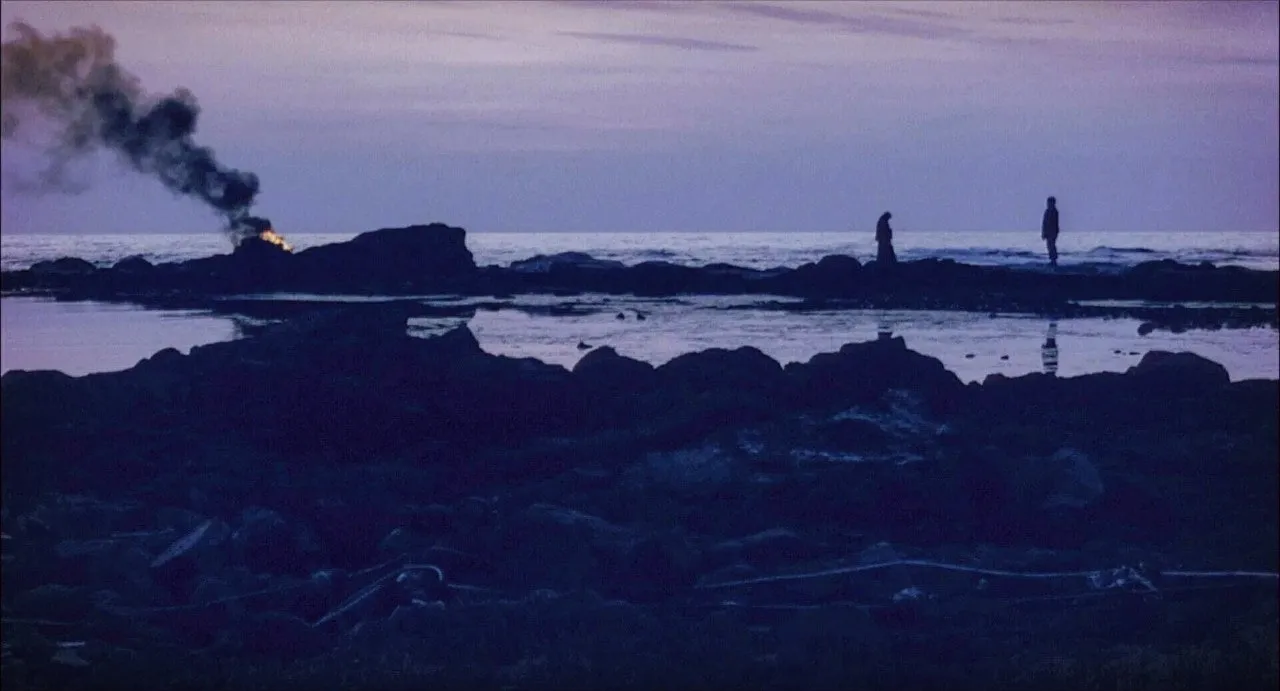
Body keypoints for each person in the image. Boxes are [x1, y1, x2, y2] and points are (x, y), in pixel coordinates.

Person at [1041, 196, 1060, 267]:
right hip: (1049, 231)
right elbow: (1044, 223)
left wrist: (1048, 232)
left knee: (1051, 245)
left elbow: (1053, 223)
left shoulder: (1054, 211)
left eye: (1049, 202)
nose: (1048, 204)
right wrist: (1044, 232)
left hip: (1052, 231)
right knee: (1049, 246)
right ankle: (1052, 260)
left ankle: (1053, 260)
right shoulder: (1048, 211)